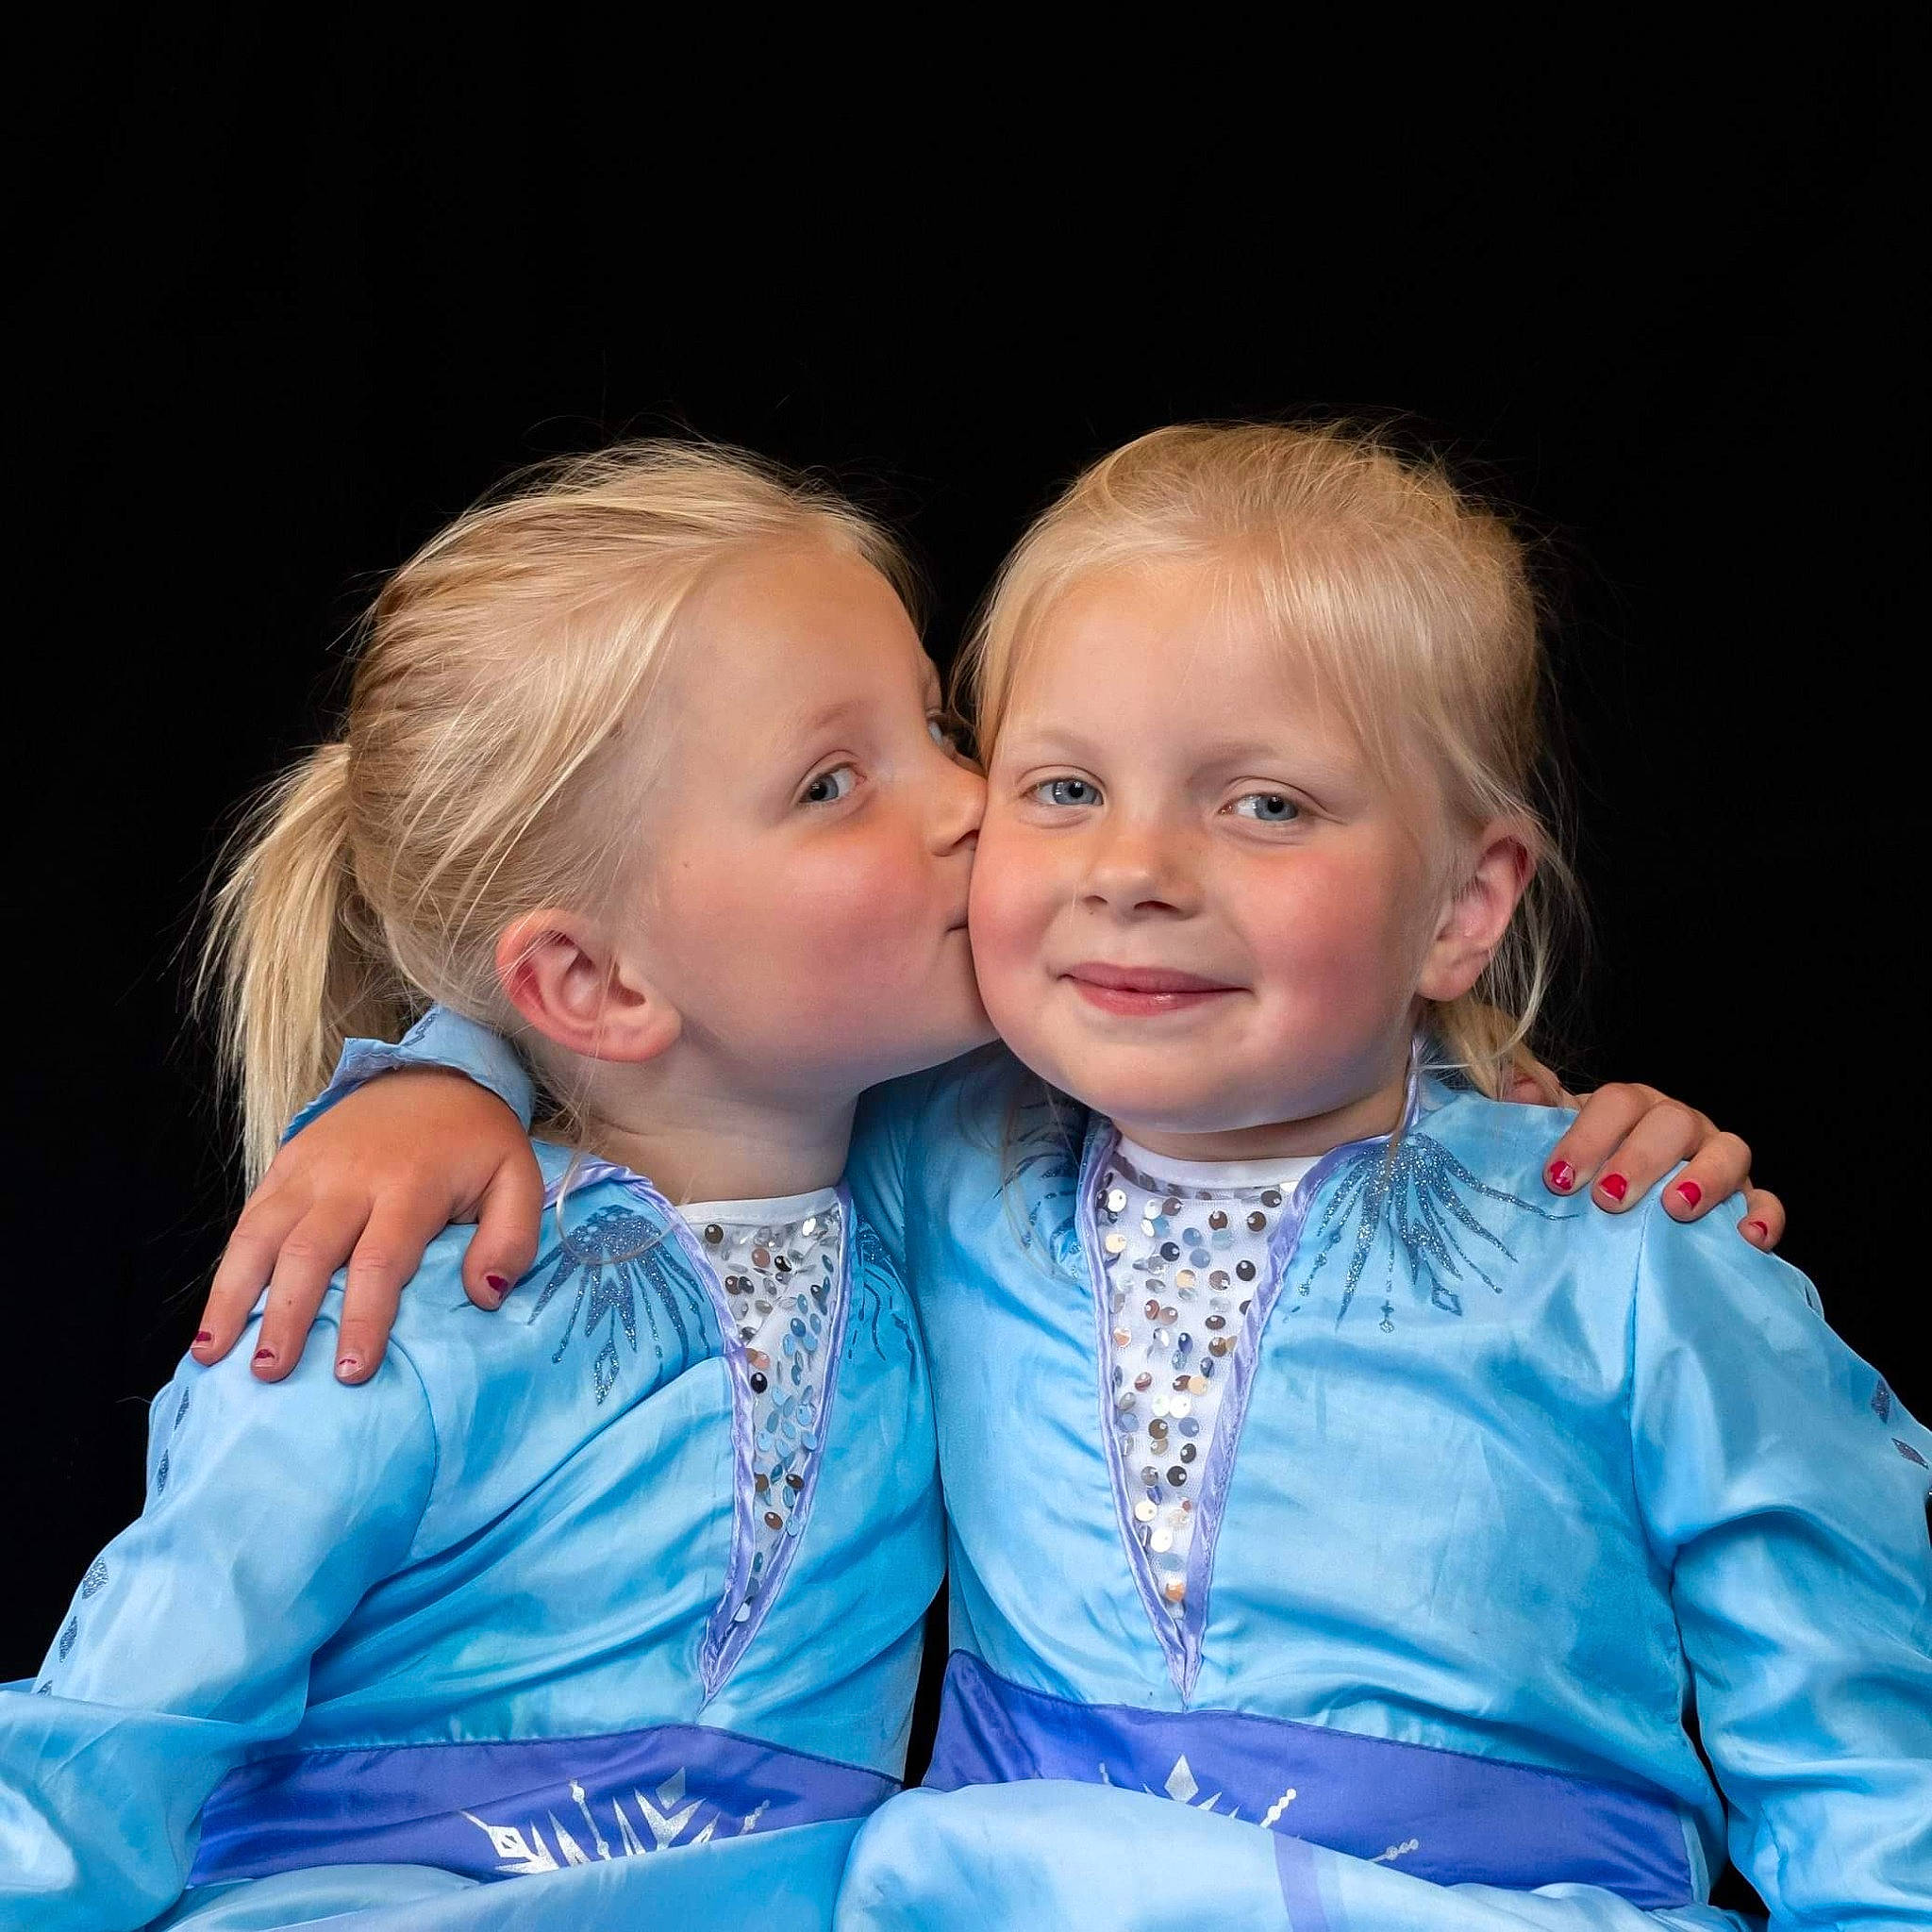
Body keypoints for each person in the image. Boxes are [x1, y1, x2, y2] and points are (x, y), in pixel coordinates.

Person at [193, 428, 1909, 1926]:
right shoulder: (935, 1155)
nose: (1137, 871)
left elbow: (1865, 1768)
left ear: (1469, 903)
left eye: (1266, 806)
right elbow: (665, 1017)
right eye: (1064, 786)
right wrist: (434, 1072)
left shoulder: (1640, 1258)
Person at [0, 441, 990, 1930]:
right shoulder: (409, 1287)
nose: (973, 801)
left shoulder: (960, 1199)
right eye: (833, 783)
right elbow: (127, 1711)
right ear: (590, 980)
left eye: (939, 722)